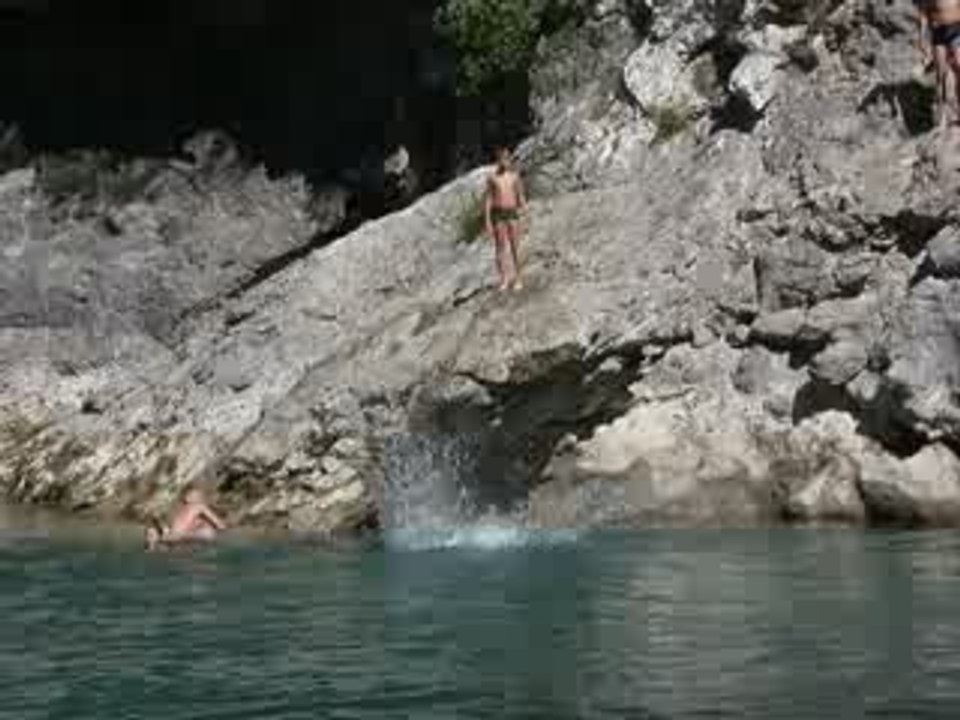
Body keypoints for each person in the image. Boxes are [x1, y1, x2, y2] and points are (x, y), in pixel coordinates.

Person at [484, 147, 528, 292]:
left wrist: (524, 215)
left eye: (506, 158)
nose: (504, 162)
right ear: (497, 160)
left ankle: (519, 277)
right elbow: (489, 199)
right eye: (501, 159)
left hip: (511, 212)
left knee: (515, 246)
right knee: (500, 247)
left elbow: (521, 196)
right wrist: (487, 220)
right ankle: (504, 278)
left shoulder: (515, 176)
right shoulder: (492, 177)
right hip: (498, 213)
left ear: (509, 159)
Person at [917, 0, 960, 127]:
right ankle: (943, 114)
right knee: (941, 74)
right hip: (938, 32)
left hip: (957, 27)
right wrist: (922, 38)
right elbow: (924, 14)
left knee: (959, 64)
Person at [145, 487, 227, 551]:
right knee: (208, 533)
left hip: (174, 535)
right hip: (175, 536)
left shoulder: (191, 507)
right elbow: (220, 525)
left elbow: (219, 525)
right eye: (193, 494)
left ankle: (155, 543)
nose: (196, 497)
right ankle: (157, 541)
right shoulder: (194, 507)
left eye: (196, 495)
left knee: (154, 534)